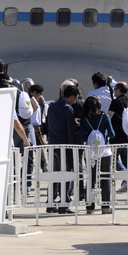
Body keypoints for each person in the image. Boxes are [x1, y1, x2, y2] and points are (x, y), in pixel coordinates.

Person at [46, 83, 79, 213]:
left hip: (53, 143)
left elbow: (47, 123)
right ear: (71, 96)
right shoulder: (68, 109)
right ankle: (64, 204)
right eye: (75, 98)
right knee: (65, 175)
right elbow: (71, 129)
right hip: (64, 145)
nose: (75, 101)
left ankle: (51, 202)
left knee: (54, 174)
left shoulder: (52, 106)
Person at [77, 96, 114, 214]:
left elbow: (82, 137)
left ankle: (90, 207)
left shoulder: (84, 119)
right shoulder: (104, 116)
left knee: (91, 178)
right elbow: (112, 134)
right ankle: (106, 207)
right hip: (105, 151)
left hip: (90, 152)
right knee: (106, 178)